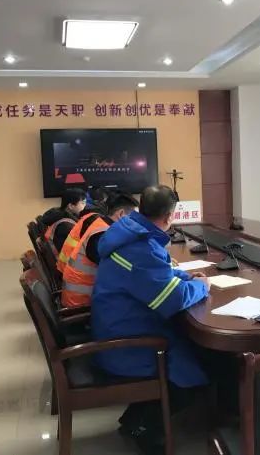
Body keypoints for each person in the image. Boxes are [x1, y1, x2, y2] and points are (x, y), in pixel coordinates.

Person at [91, 185, 210, 454]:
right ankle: (147, 429)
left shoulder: (128, 231)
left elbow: (155, 273)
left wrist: (185, 277)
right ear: (169, 217)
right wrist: (202, 286)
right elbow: (171, 300)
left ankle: (135, 418)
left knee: (189, 350)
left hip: (115, 328)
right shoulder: (141, 246)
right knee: (196, 373)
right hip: (125, 346)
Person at [58, 191, 138, 308]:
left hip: (81, 295)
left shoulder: (100, 224)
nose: (136, 223)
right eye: (134, 218)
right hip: (81, 304)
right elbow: (118, 270)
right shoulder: (103, 235)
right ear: (121, 214)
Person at [40, 188, 87, 255]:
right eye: (83, 203)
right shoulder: (66, 225)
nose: (85, 206)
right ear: (71, 206)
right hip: (65, 259)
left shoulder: (59, 216)